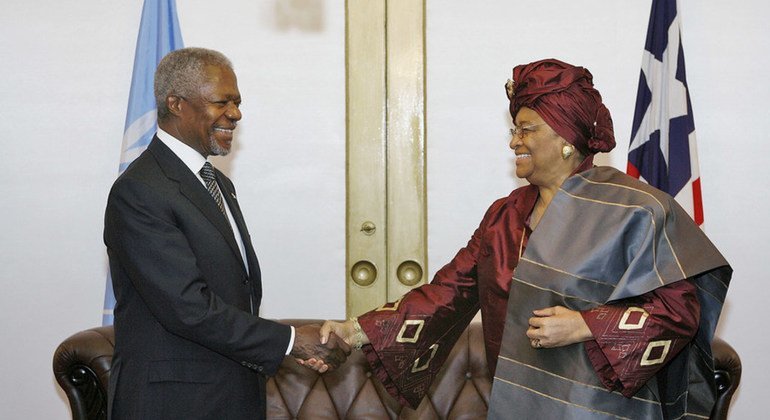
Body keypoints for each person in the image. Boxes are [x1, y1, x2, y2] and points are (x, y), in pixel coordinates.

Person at [318, 59, 731, 419]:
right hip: (517, 403)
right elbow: (448, 293)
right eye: (514, 130)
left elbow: (678, 314)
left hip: (602, 410)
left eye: (526, 129)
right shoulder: (506, 216)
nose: (514, 140)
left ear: (566, 137)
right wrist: (353, 331)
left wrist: (584, 324)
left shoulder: (635, 210)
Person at [104, 47, 349, 420]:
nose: (235, 114)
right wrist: (292, 341)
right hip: (173, 404)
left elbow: (232, 292)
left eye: (237, 102)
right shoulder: (140, 190)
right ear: (177, 104)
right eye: (223, 102)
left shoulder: (215, 182)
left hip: (230, 394)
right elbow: (188, 308)